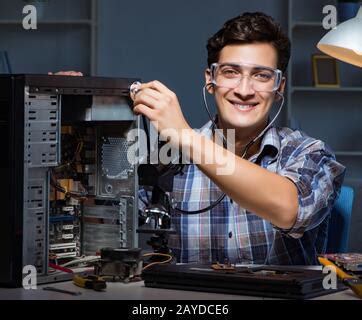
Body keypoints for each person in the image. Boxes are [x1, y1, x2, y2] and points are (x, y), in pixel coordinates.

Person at [134, 12, 345, 265]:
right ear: (210, 80)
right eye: (231, 72)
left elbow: (291, 210)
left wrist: (185, 137)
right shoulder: (165, 157)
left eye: (261, 75)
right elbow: (111, 219)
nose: (244, 90)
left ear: (279, 87)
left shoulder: (309, 153)